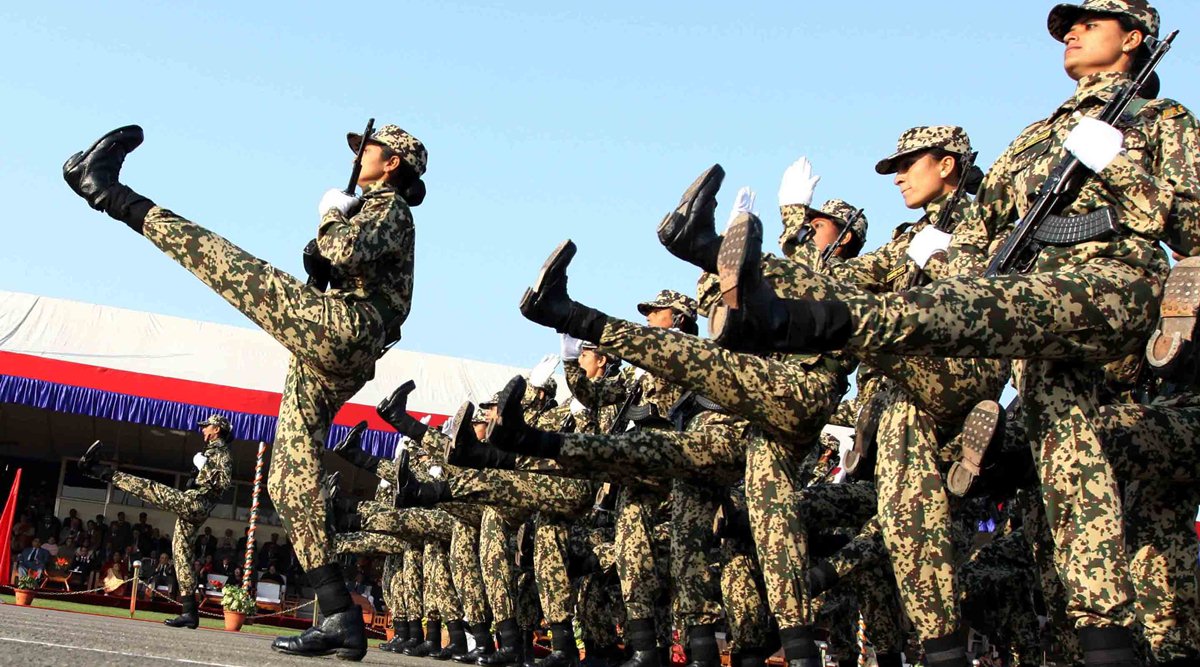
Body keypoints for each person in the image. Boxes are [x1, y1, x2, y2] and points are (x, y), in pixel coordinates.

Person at [706, 2, 1198, 665]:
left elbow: (1189, 229)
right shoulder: (1034, 138)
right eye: (1066, 25)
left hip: (1112, 282)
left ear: (1134, 39)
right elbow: (982, 247)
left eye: (1089, 22)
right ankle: (1103, 637)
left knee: (961, 330)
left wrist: (1119, 162)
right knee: (1068, 460)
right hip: (1034, 315)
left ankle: (785, 319)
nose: (1071, 32)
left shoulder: (1159, 121)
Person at [63, 120, 426, 661]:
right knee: (289, 480)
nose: (360, 157)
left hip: (346, 331)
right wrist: (319, 274)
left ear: (391, 161)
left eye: (367, 149)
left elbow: (346, 250)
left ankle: (107, 192)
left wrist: (331, 212)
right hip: (338, 344)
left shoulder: (390, 206)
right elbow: (345, 268)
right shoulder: (378, 209)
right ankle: (340, 617)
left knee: (229, 265)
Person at [77, 413, 232, 630]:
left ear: (217, 429)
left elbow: (223, 484)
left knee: (150, 489)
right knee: (181, 555)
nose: (203, 429)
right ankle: (189, 612)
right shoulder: (211, 451)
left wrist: (203, 466)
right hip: (194, 503)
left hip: (196, 504)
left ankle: (95, 470)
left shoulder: (222, 452)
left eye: (206, 426)